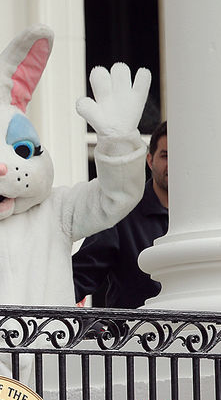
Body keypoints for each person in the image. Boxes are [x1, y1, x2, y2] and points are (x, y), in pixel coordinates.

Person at [72, 121, 169, 308]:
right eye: (165, 156)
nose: (173, 165)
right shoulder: (122, 213)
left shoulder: (204, 218)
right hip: (131, 327)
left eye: (181, 156)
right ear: (150, 160)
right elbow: (79, 278)